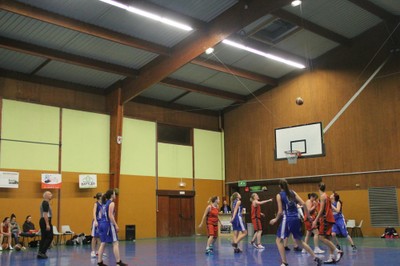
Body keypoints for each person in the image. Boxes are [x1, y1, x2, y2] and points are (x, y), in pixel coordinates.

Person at [269, 179, 322, 266]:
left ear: (279, 186)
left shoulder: (279, 195)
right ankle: (315, 257)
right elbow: (304, 204)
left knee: (278, 240)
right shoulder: (292, 192)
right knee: (299, 241)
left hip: (287, 219)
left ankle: (284, 262)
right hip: (296, 218)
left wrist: (275, 219)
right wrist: (308, 216)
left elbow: (280, 211)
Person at [312, 183, 343, 264]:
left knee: (321, 237)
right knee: (328, 238)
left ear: (318, 187)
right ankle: (331, 257)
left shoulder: (323, 196)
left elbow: (322, 210)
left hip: (326, 219)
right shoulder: (327, 196)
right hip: (329, 218)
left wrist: (316, 220)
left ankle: (337, 251)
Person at [97, 189, 127, 266]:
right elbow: (110, 216)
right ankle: (118, 262)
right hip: (108, 224)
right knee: (115, 242)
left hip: (102, 224)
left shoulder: (104, 203)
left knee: (103, 243)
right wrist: (116, 225)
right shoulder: (111, 203)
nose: (115, 195)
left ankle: (99, 262)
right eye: (114, 194)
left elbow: (102, 214)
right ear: (111, 195)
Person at [37, 191, 53, 259]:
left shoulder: (45, 203)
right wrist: (47, 224)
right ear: (46, 196)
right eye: (49, 194)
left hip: (43, 221)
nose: (51, 195)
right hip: (45, 221)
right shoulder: (45, 203)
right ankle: (42, 252)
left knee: (44, 238)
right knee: (50, 237)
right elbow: (45, 214)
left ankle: (40, 252)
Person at [91, 192, 103, 258]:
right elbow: (94, 213)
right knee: (94, 237)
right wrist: (95, 220)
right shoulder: (96, 204)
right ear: (99, 197)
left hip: (101, 222)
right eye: (102, 196)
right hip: (96, 222)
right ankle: (93, 251)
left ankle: (99, 251)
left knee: (99, 237)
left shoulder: (103, 204)